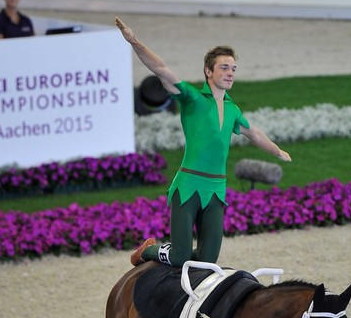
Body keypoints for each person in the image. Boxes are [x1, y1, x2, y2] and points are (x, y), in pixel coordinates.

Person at [115, 17, 292, 268]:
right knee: (179, 256)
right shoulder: (193, 99)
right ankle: (149, 250)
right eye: (224, 67)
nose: (230, 72)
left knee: (208, 261)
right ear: (209, 71)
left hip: (216, 191)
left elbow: (255, 134)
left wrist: (277, 151)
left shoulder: (233, 109)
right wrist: (134, 42)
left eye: (233, 69)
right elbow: (162, 69)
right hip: (188, 186)